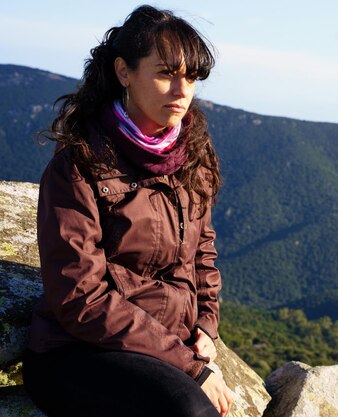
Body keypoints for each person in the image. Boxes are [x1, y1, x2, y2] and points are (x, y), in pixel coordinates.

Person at [22, 5, 232, 417]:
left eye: (190, 77)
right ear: (124, 72)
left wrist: (206, 325)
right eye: (165, 73)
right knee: (191, 411)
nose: (181, 90)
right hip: (76, 351)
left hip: (161, 344)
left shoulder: (191, 158)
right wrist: (188, 364)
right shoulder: (79, 166)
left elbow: (202, 252)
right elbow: (80, 297)